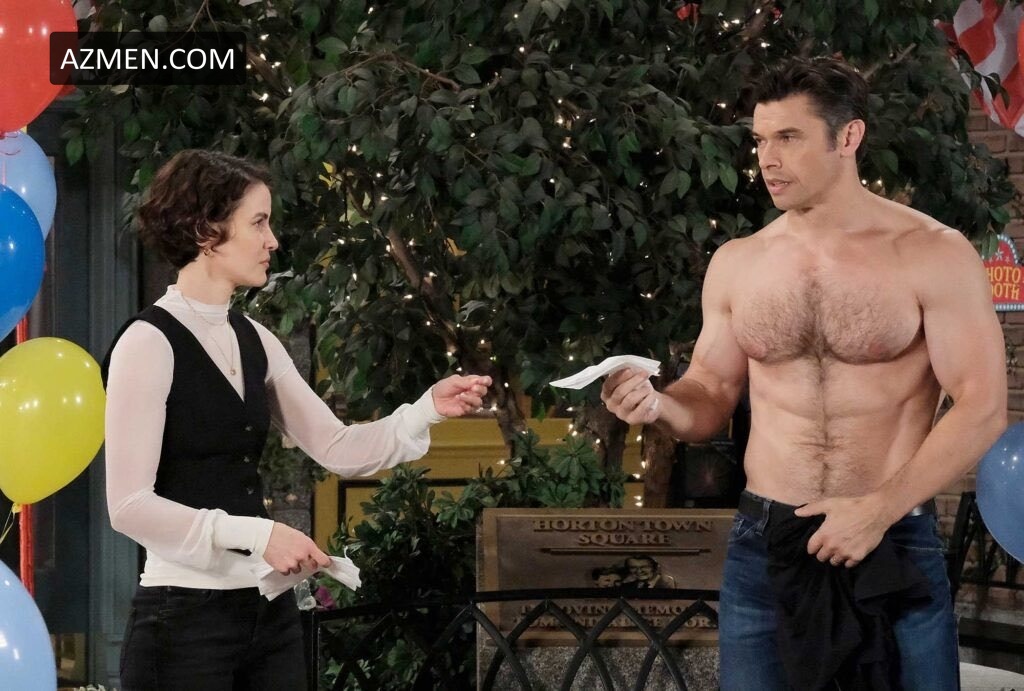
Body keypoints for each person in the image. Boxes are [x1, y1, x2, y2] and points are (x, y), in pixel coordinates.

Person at [601, 57, 1006, 690]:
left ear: (849, 137)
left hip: (891, 535)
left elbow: (982, 405)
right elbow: (710, 391)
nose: (767, 159)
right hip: (767, 540)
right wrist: (658, 406)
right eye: (760, 140)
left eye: (788, 137)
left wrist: (877, 510)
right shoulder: (740, 262)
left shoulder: (931, 252)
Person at [103, 149, 492, 690]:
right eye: (258, 223)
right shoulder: (147, 342)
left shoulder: (256, 339)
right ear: (206, 231)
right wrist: (259, 534)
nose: (273, 241)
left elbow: (337, 447)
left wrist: (426, 408)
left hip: (269, 615)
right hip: (182, 621)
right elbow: (127, 507)